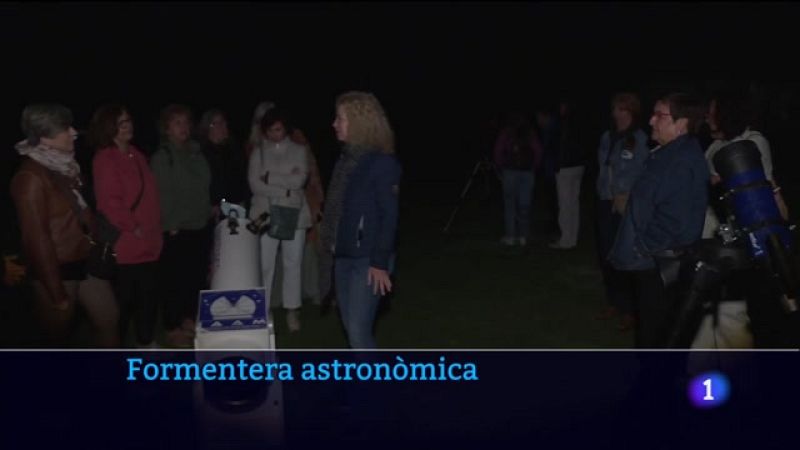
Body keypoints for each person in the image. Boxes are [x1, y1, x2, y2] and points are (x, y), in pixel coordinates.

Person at [10, 103, 119, 347]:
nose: (73, 132)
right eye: (65, 129)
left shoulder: (66, 167)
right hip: (57, 268)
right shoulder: (30, 178)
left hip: (85, 259)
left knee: (109, 319)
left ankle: (108, 378)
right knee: (55, 339)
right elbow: (36, 239)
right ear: (44, 138)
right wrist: (56, 293)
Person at [609, 93, 709, 348]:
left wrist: (644, 246)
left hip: (661, 264)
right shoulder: (668, 153)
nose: (651, 120)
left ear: (681, 124)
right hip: (655, 261)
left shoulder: (681, 160)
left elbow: (674, 219)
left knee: (657, 336)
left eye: (660, 115)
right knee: (653, 331)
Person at [692, 90, 790, 349]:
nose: (708, 117)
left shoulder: (752, 141)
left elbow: (761, 191)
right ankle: (701, 375)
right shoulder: (715, 146)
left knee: (732, 312)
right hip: (710, 234)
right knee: (705, 308)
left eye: (713, 112)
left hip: (739, 241)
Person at [321, 91, 401, 349]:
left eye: (340, 118)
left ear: (359, 122)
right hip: (343, 256)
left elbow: (389, 215)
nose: (334, 124)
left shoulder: (382, 164)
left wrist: (379, 262)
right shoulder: (346, 161)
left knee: (357, 331)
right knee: (352, 329)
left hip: (368, 260)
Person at [90, 104, 163, 348]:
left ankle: (146, 342)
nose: (127, 127)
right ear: (108, 127)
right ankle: (116, 352)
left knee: (148, 298)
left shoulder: (136, 154)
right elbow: (110, 203)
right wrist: (134, 226)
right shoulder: (105, 158)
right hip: (126, 243)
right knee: (123, 303)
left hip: (149, 241)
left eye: (128, 121)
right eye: (121, 123)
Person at [150, 104, 212, 348]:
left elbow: (204, 185)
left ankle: (188, 320)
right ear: (166, 129)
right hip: (177, 227)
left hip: (200, 223)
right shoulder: (162, 157)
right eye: (177, 123)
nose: (183, 128)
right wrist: (171, 224)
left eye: (186, 123)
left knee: (195, 277)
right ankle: (172, 326)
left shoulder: (195, 151)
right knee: (174, 280)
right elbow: (162, 194)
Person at [248, 108, 311, 332]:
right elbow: (255, 184)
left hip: (294, 214)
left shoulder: (299, 150)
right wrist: (284, 187)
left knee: (292, 262)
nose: (276, 134)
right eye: (271, 130)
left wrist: (272, 178)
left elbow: (300, 180)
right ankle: (262, 310)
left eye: (279, 129)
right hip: (265, 215)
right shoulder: (259, 152)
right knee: (265, 264)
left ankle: (292, 310)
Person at [594, 93, 650, 331]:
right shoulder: (608, 137)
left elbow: (643, 171)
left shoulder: (639, 139)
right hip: (605, 199)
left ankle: (630, 309)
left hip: (627, 202)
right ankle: (614, 302)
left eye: (621, 109)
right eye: (615, 108)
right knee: (607, 252)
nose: (616, 113)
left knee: (626, 254)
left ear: (631, 112)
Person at [492, 113, 543, 246]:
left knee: (510, 205)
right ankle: (523, 236)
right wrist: (534, 166)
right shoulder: (530, 133)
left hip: (510, 172)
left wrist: (501, 166)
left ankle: (510, 236)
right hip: (527, 172)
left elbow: (497, 151)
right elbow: (538, 151)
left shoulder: (506, 132)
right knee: (524, 206)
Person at [549, 100, 587, 250]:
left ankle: (566, 239)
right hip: (578, 165)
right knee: (573, 203)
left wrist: (557, 163)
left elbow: (560, 145)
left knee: (565, 204)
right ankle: (572, 238)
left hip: (566, 167)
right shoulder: (580, 122)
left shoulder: (564, 123)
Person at [198, 109, 250, 213]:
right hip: (216, 208)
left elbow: (242, 175)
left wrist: (245, 198)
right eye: (220, 123)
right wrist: (213, 203)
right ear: (210, 126)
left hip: (237, 204)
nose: (224, 125)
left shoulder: (234, 148)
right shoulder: (202, 153)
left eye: (224, 122)